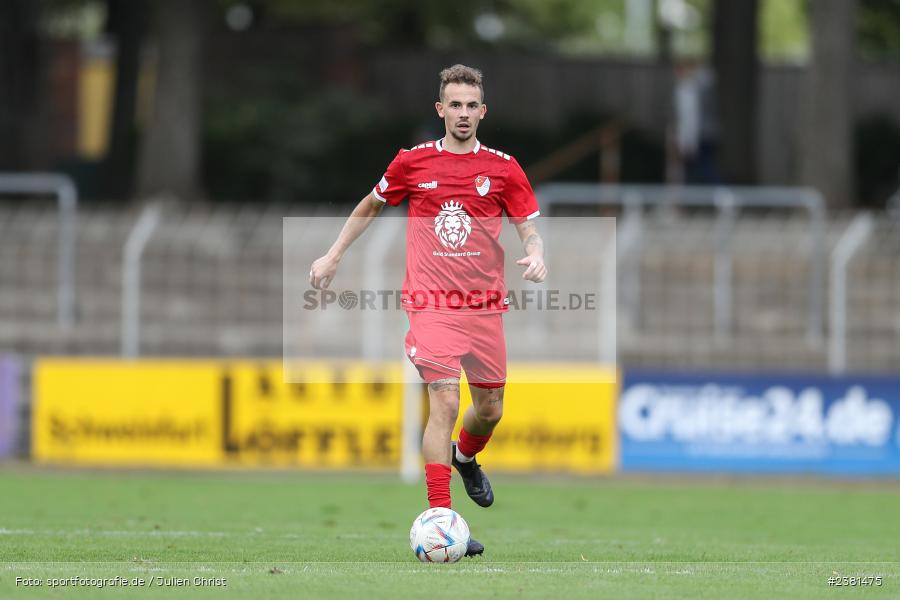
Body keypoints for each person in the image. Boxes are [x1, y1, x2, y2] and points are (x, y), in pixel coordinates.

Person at [309, 64, 546, 557]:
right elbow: (370, 207)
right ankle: (440, 515)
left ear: (483, 111)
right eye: (453, 105)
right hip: (430, 304)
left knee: (490, 410)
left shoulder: (504, 168)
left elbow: (527, 225)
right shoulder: (412, 163)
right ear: (441, 110)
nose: (462, 113)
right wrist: (333, 255)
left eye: (470, 105)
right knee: (443, 400)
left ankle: (466, 456)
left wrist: (538, 252)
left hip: (484, 308)